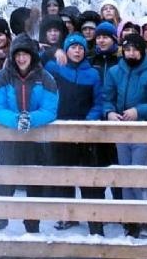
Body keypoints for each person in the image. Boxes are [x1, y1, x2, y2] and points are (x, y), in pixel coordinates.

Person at [0, 35, 59, 232]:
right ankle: (0, 220)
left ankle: (32, 224)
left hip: (35, 138)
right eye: (17, 54)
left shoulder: (46, 78)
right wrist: (15, 120)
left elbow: (50, 109)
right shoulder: (0, 77)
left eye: (25, 54)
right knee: (5, 180)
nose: (21, 58)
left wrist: (31, 119)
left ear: (32, 56)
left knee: (33, 180)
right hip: (9, 138)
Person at [102, 33, 147, 237]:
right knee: (125, 174)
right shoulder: (114, 72)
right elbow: (107, 97)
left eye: (135, 49)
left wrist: (138, 111)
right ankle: (130, 220)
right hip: (121, 131)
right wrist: (109, 112)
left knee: (139, 175)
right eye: (128, 49)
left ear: (142, 51)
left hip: (142, 130)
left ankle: (146, 220)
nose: (131, 53)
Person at [44, 33, 105, 235]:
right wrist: (55, 50)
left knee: (90, 178)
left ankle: (95, 220)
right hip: (61, 128)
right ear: (66, 50)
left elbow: (98, 102)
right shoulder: (55, 68)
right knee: (64, 173)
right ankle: (67, 215)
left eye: (80, 48)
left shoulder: (93, 74)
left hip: (86, 131)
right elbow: (36, 56)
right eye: (73, 48)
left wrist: (89, 122)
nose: (77, 51)